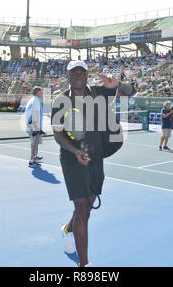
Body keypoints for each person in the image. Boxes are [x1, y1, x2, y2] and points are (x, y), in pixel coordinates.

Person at [51, 60, 135, 267]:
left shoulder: (99, 92)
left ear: (87, 75)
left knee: (87, 206)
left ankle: (68, 229)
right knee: (81, 208)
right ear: (68, 76)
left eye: (82, 72)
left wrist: (117, 85)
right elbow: (57, 135)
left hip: (96, 158)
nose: (78, 75)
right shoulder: (60, 101)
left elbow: (131, 92)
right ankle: (85, 265)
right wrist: (74, 150)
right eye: (74, 72)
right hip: (72, 159)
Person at [25, 86, 44, 167]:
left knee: (36, 143)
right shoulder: (36, 100)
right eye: (41, 92)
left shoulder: (34, 99)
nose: (42, 93)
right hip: (33, 126)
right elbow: (35, 114)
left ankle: (35, 157)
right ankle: (32, 161)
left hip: (34, 125)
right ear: (37, 93)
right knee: (34, 144)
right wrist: (36, 128)